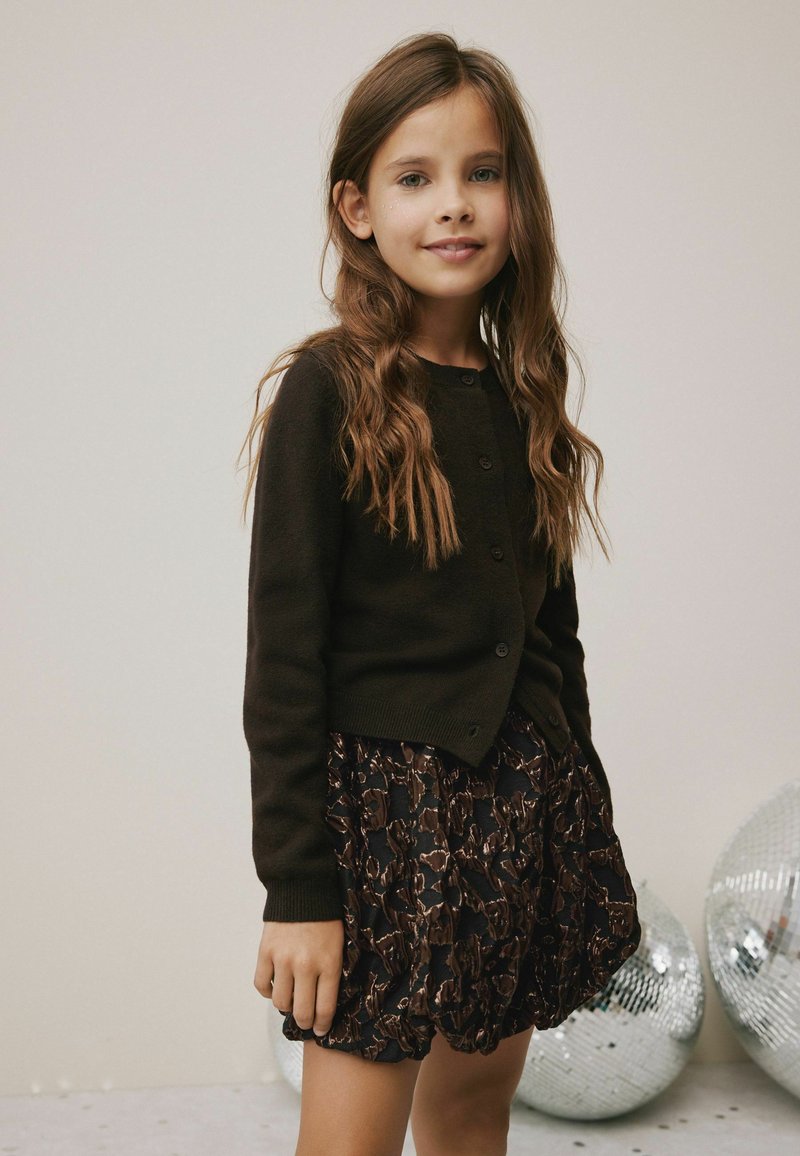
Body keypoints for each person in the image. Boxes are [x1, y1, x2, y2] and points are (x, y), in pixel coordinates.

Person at [238, 30, 642, 1156]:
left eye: (482, 172)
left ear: (517, 199)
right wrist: (298, 887)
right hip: (385, 829)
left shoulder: (524, 398)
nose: (454, 204)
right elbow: (283, 653)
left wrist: (579, 813)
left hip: (522, 813)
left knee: (470, 1114)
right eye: (415, 178)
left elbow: (551, 637)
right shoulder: (328, 390)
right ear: (358, 208)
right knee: (352, 1141)